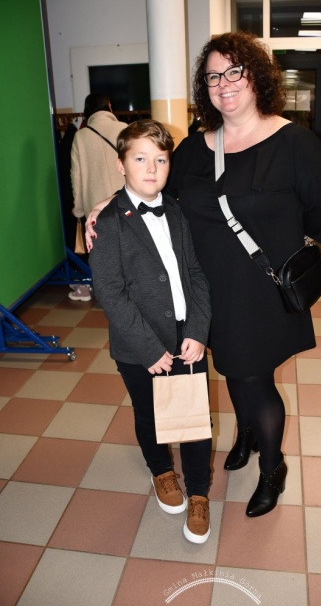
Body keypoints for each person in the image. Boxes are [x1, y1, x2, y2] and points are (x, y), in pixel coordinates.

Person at [87, 31, 321, 518]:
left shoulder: (293, 142)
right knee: (230, 371)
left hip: (259, 292)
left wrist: (283, 235)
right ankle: (245, 435)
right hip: (205, 290)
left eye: (234, 72)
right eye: (213, 76)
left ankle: (273, 467)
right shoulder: (194, 149)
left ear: (256, 77)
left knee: (253, 378)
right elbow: (154, 190)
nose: (224, 84)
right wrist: (107, 203)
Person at [88, 119, 212, 544]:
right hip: (138, 345)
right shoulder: (107, 223)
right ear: (120, 164)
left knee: (194, 418)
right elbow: (110, 292)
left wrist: (198, 329)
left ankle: (199, 493)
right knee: (149, 413)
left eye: (160, 160)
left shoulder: (176, 210)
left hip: (186, 337)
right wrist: (148, 348)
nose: (152, 168)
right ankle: (161, 471)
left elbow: (196, 274)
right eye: (140, 159)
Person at [69, 92, 127, 301]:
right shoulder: (124, 129)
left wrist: (78, 210)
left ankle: (108, 296)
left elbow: (76, 176)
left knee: (103, 255)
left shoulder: (81, 137)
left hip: (95, 208)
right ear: (109, 106)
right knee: (127, 250)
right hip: (125, 201)